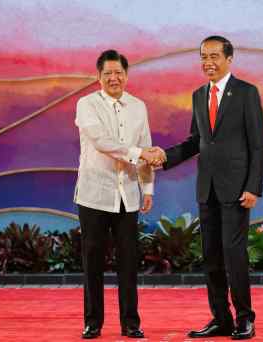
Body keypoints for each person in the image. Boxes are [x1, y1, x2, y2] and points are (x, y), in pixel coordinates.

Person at [150, 35, 263, 340]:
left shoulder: (246, 93)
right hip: (207, 189)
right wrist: (165, 157)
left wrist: (253, 186)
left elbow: (257, 145)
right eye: (203, 57)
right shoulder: (199, 95)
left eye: (214, 56)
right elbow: (195, 142)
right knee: (211, 256)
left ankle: (245, 319)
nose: (208, 62)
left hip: (237, 189)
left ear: (229, 58)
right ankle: (221, 319)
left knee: (233, 254)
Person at [74, 49, 159, 339]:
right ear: (98, 76)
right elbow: (101, 141)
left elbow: (147, 145)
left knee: (128, 262)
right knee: (93, 261)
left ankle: (130, 323)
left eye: (119, 72)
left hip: (128, 195)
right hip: (94, 194)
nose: (114, 78)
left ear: (126, 74)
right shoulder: (86, 105)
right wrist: (138, 153)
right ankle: (93, 322)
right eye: (108, 73)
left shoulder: (138, 107)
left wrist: (147, 188)